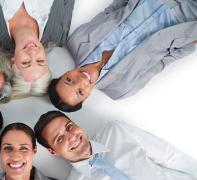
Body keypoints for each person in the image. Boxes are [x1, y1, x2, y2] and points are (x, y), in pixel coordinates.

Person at [34, 110, 197, 180]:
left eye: (69, 127)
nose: (71, 137)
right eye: (60, 139)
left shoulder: (116, 132)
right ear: (53, 151)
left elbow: (170, 156)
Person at [48, 0, 197, 112]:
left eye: (69, 80)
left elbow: (112, 9)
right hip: (186, 18)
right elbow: (165, 61)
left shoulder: (77, 41)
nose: (80, 80)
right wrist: (192, 41)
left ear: (65, 73)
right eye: (80, 92)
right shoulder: (122, 89)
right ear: (87, 97)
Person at [0, 0, 74, 101]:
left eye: (26, 62)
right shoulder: (59, 34)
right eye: (40, 61)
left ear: (12, 62)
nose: (32, 52)